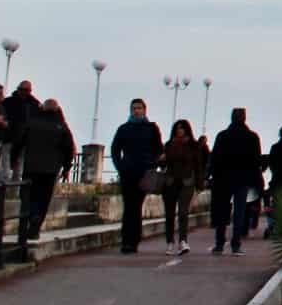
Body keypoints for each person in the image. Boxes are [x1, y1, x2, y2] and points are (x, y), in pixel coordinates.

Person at [109, 98, 163, 255]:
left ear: (144, 110)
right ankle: (127, 241)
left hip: (145, 173)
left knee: (136, 206)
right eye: (134, 108)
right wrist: (120, 166)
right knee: (129, 207)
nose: (136, 111)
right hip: (128, 173)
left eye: (139, 108)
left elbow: (159, 149)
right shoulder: (124, 129)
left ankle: (134, 240)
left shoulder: (152, 128)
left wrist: (152, 164)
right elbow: (115, 149)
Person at [18, 97, 75, 246]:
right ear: (57, 109)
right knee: (44, 198)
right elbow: (69, 149)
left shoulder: (31, 123)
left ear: (42, 108)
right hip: (51, 170)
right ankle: (35, 227)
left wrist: (14, 158)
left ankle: (30, 216)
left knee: (27, 196)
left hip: (31, 167)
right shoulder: (61, 127)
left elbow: (19, 141)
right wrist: (67, 168)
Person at [208, 107, 263, 256]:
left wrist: (211, 175)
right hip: (243, 179)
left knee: (222, 212)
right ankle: (235, 245)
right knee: (239, 212)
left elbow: (214, 158)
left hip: (223, 179)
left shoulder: (222, 136)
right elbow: (256, 161)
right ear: (244, 118)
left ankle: (219, 244)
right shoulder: (252, 137)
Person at [160, 119, 206, 255]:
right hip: (170, 182)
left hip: (187, 182)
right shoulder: (169, 145)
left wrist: (199, 183)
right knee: (169, 213)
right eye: (177, 128)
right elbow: (163, 165)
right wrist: (161, 159)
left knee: (183, 212)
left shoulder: (193, 145)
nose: (180, 131)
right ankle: (170, 242)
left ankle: (183, 241)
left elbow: (198, 165)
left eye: (182, 128)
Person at [2, 79, 39, 182]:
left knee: (18, 168)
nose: (23, 92)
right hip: (9, 138)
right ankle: (4, 191)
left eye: (25, 90)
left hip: (23, 140)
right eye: (21, 89)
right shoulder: (9, 102)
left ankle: (13, 191)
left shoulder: (34, 104)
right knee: (6, 167)